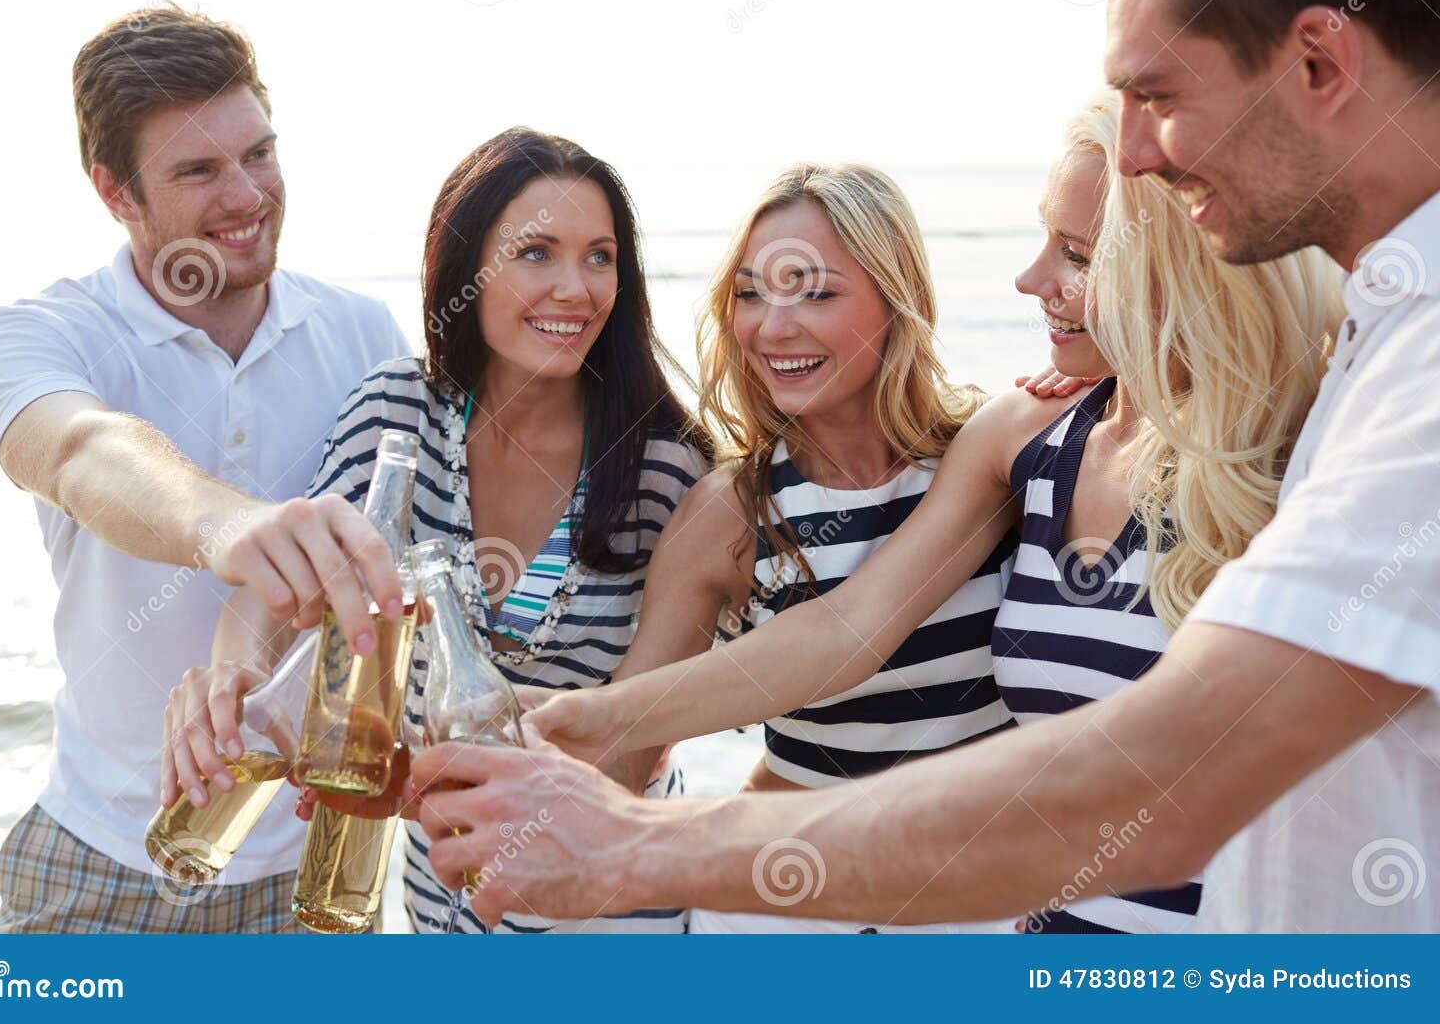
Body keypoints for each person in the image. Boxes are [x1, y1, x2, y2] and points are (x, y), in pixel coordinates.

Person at [407, 0, 1440, 935]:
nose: (1140, 151)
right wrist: (591, 720)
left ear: (1320, 60)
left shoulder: (1396, 380)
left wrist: (638, 847)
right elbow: (844, 632)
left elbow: (1165, 774)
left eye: (1160, 97)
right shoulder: (1355, 347)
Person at [522, 93, 1341, 933]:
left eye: (1075, 253)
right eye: (750, 293)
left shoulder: (1261, 449)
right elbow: (845, 633)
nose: (772, 326)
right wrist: (586, 731)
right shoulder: (994, 446)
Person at [162, 128, 713, 933]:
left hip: (609, 908)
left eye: (600, 256)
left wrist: (424, 785)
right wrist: (238, 681)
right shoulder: (396, 411)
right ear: (468, 266)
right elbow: (284, 592)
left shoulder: (665, 467)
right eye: (536, 253)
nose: (576, 286)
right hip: (437, 899)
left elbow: (637, 749)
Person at [0, 7, 409, 932]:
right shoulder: (45, 334)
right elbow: (81, 450)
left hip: (315, 875)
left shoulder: (364, 334)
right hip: (103, 862)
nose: (248, 194)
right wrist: (232, 527)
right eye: (200, 171)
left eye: (259, 152)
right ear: (115, 193)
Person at [556, 163, 1023, 933]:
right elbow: (625, 749)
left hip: (984, 906)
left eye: (816, 292)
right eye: (749, 294)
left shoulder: (996, 456)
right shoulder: (729, 515)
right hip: (787, 916)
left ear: (895, 296)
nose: (773, 327)